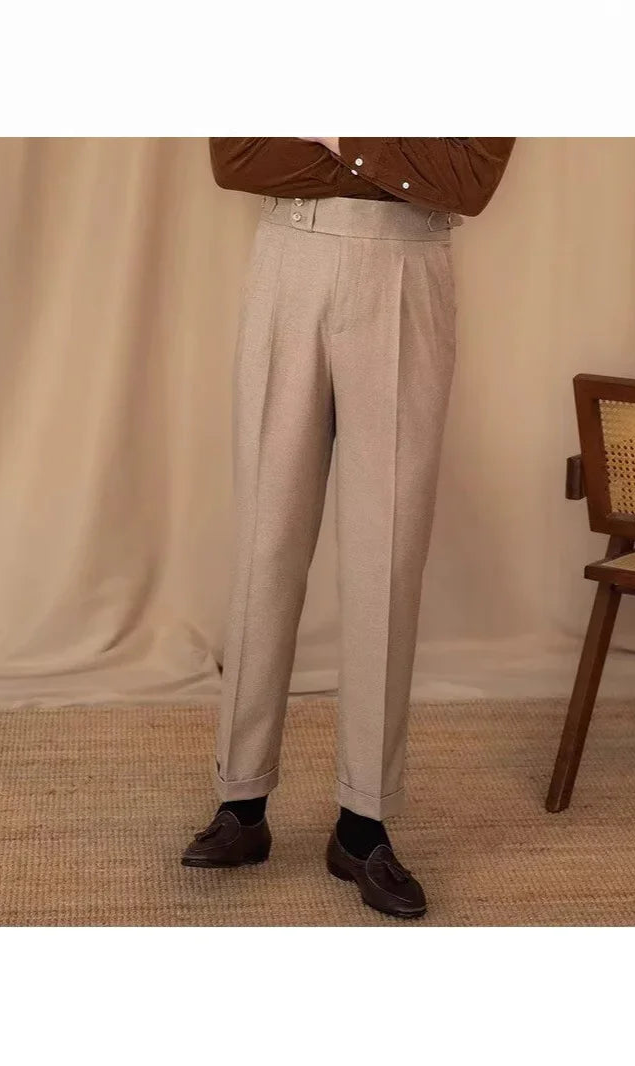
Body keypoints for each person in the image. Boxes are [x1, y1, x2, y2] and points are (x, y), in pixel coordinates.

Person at [182, 137, 515, 919]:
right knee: (266, 545)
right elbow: (237, 157)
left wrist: (330, 130)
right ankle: (242, 805)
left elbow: (466, 179)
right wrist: (398, 151)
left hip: (407, 270)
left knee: (385, 553)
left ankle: (362, 825)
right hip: (287, 262)